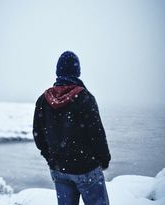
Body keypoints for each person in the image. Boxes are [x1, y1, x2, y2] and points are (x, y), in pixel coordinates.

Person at [33, 51, 111, 205]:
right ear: (77, 72)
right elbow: (97, 134)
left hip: (59, 170)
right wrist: (104, 159)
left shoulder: (43, 100)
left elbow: (38, 136)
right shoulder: (85, 98)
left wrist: (51, 158)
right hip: (87, 169)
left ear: (58, 71)